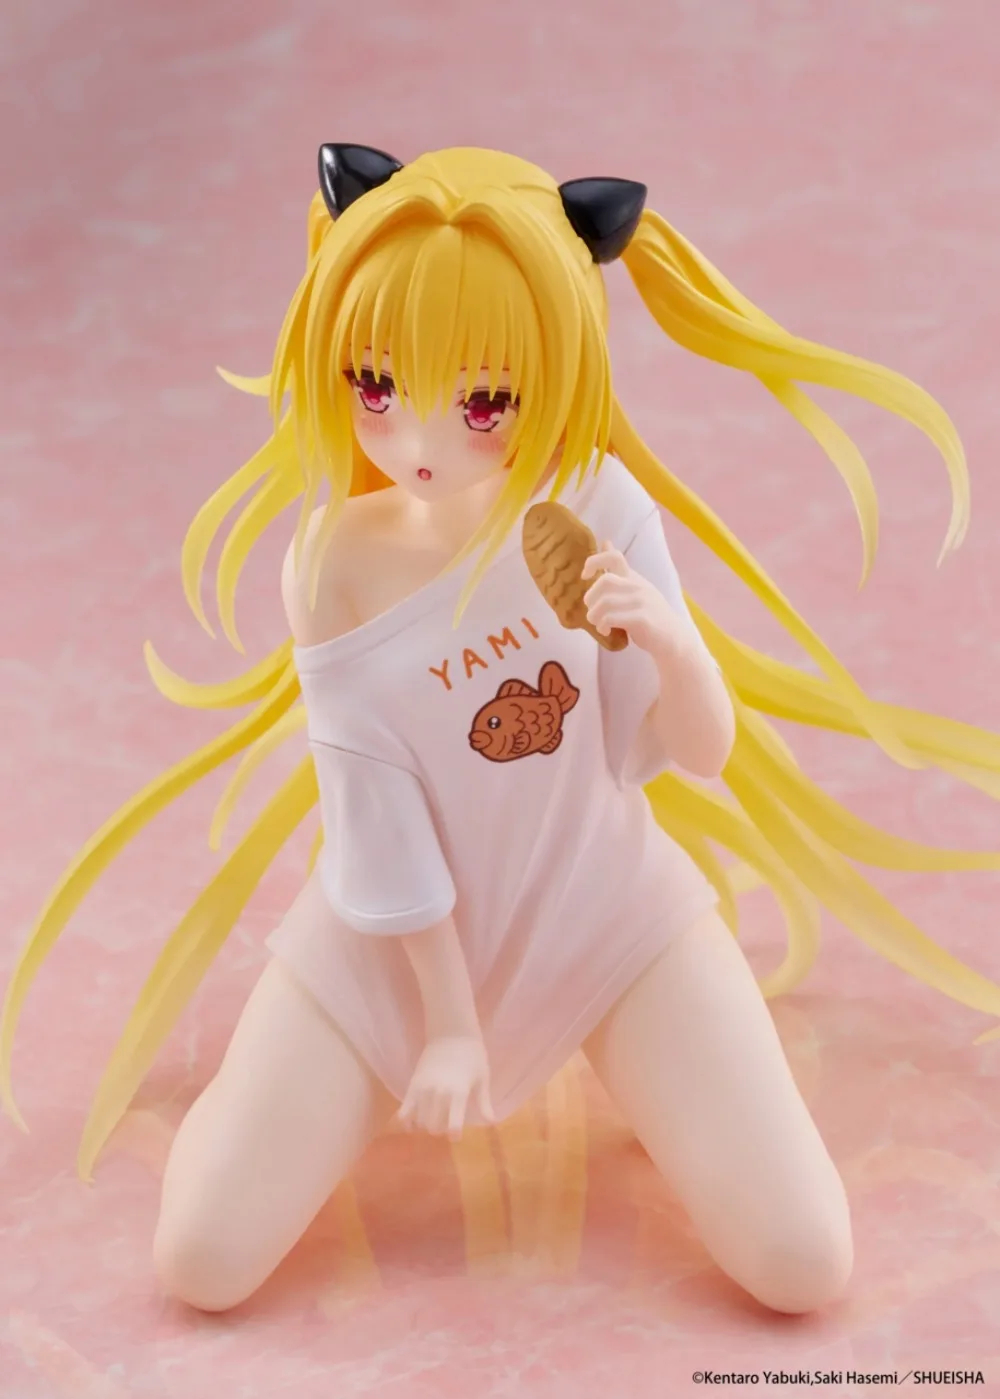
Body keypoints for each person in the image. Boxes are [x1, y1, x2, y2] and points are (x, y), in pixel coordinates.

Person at [5, 143, 1000, 1319]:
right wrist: (448, 1024)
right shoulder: (332, 565)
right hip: (390, 943)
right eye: (378, 385)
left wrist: (672, 645)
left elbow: (697, 753)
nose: (419, 439)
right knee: (203, 1260)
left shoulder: (596, 507)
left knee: (802, 1260)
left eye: (480, 401)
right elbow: (375, 812)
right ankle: (253, 1100)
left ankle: (630, 1074)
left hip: (605, 907)